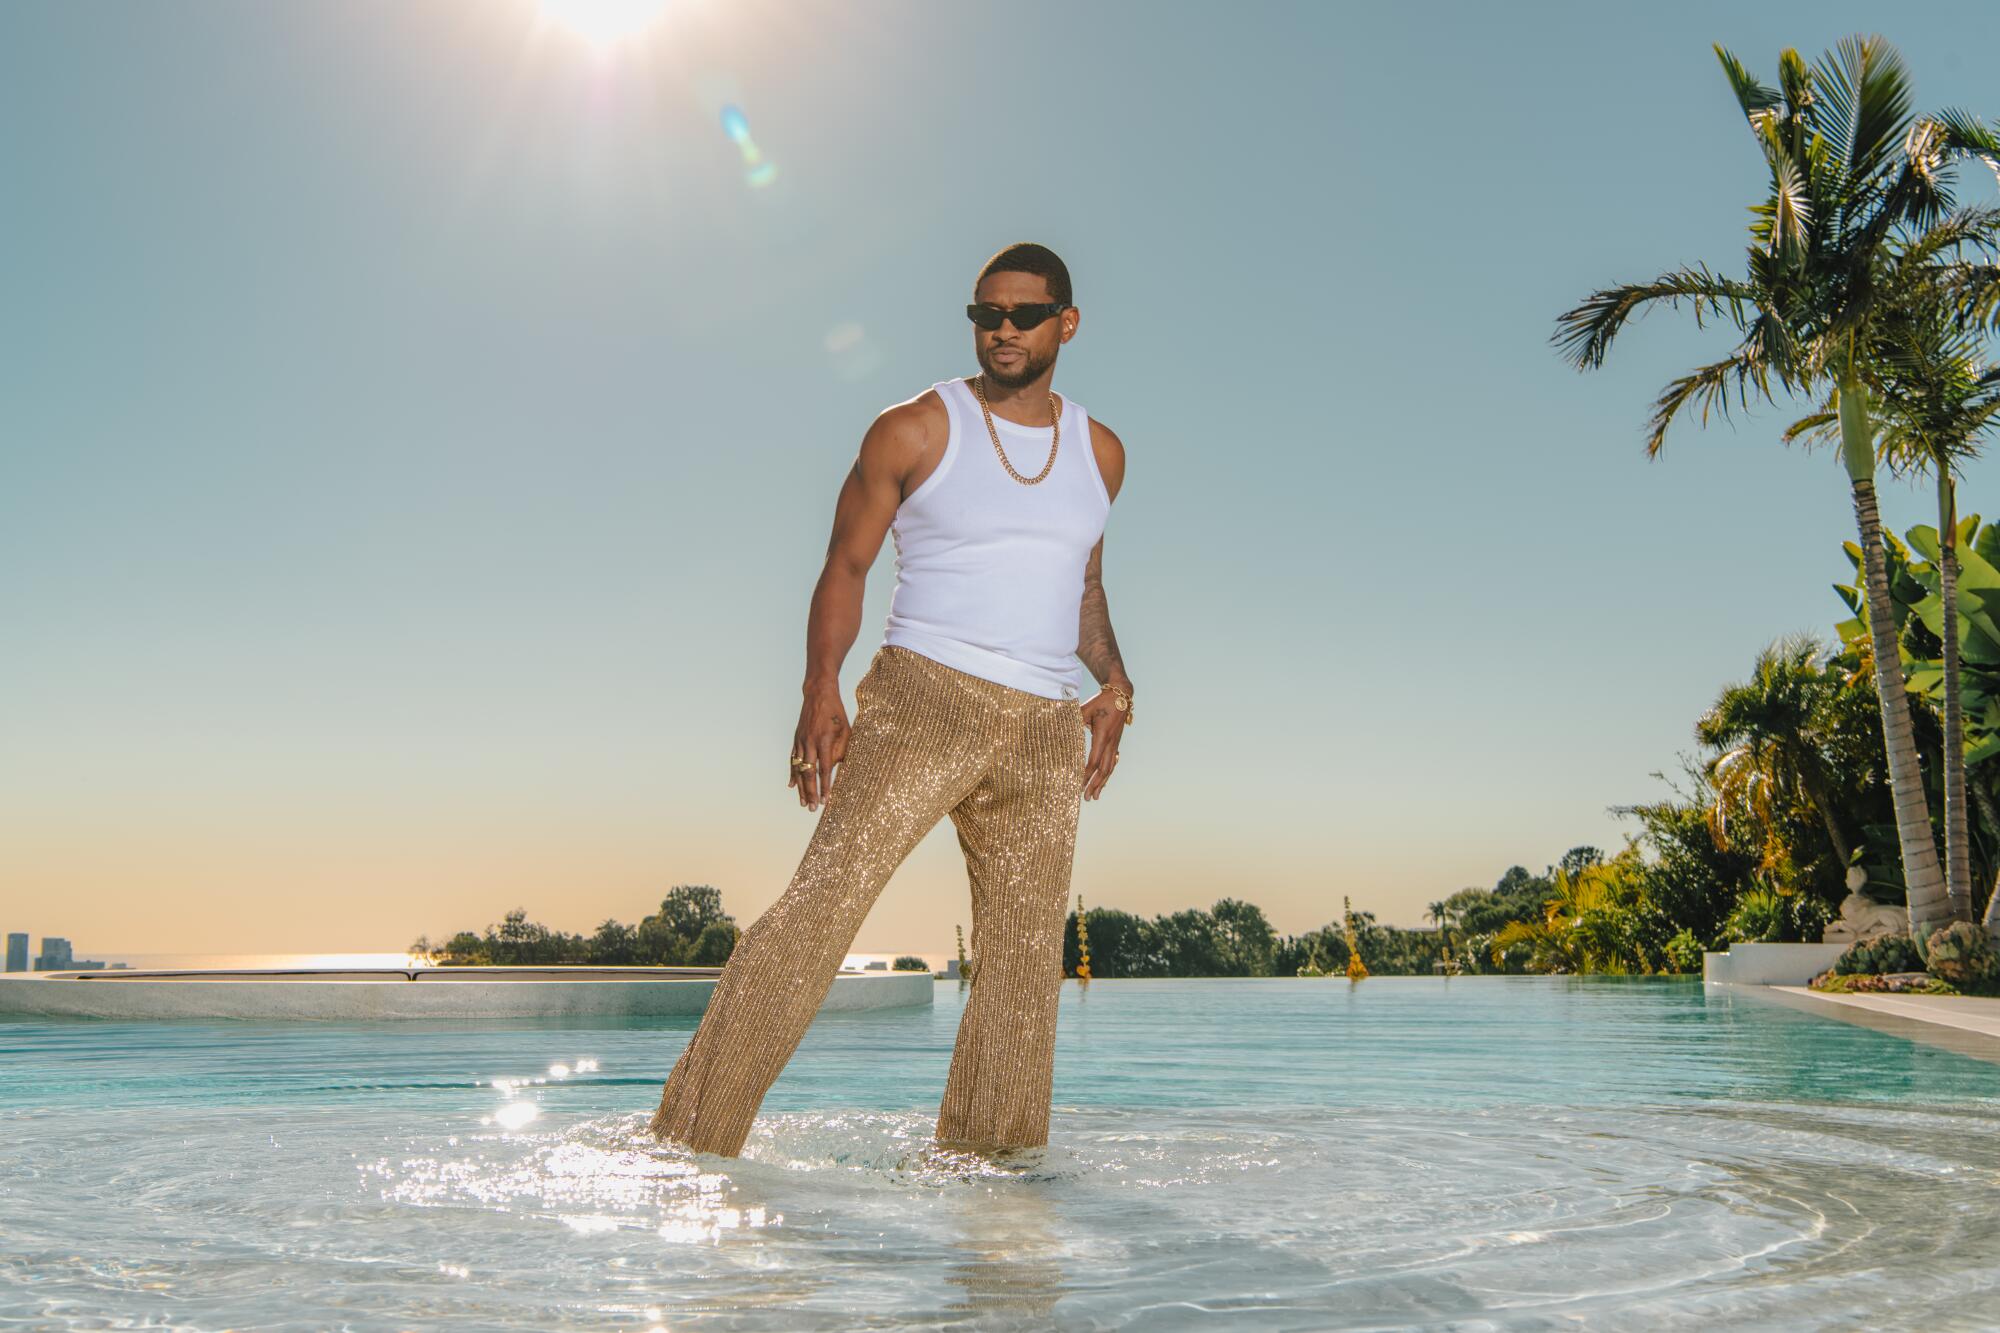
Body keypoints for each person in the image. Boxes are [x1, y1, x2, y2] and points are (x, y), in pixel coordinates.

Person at [648, 241, 1135, 1158]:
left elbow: (1085, 587)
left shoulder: (1100, 454)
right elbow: (847, 564)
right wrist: (819, 686)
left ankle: (990, 1175)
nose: (1002, 330)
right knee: (820, 910)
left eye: (1024, 315)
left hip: (1042, 724)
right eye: (985, 314)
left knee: (1023, 970)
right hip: (923, 699)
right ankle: (688, 1139)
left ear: (1066, 323)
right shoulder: (916, 429)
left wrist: (1115, 683)